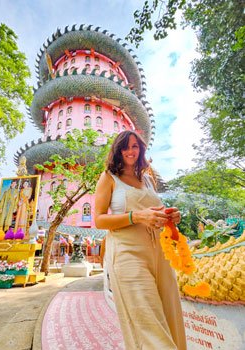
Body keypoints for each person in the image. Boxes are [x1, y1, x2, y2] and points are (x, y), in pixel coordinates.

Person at [95, 130, 186, 350]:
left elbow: (155, 213)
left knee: (170, 314)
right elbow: (99, 219)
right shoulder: (109, 177)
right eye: (125, 146)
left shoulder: (147, 179)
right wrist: (135, 216)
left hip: (159, 253)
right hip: (128, 254)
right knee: (147, 321)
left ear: (141, 149)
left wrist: (171, 217)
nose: (130, 151)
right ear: (118, 150)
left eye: (135, 146)